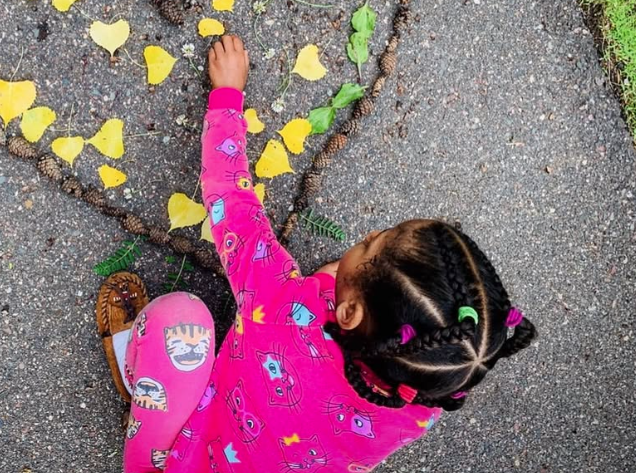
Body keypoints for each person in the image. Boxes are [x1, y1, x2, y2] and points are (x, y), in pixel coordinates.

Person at [96, 34, 537, 472]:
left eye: (369, 244)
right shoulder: (425, 398)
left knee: (181, 319)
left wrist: (227, 95)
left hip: (182, 462)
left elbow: (230, 200)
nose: (368, 235)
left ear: (347, 315)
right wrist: (341, 285)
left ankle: (141, 387)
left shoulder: (282, 303)